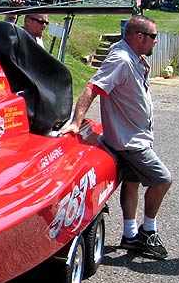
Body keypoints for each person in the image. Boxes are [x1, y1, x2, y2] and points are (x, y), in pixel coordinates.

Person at [60, 15, 172, 258]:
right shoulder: (121, 60)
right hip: (129, 141)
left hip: (136, 136)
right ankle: (148, 231)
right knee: (162, 180)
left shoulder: (133, 57)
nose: (156, 41)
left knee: (132, 182)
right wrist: (76, 122)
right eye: (153, 37)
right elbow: (92, 88)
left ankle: (130, 235)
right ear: (139, 37)